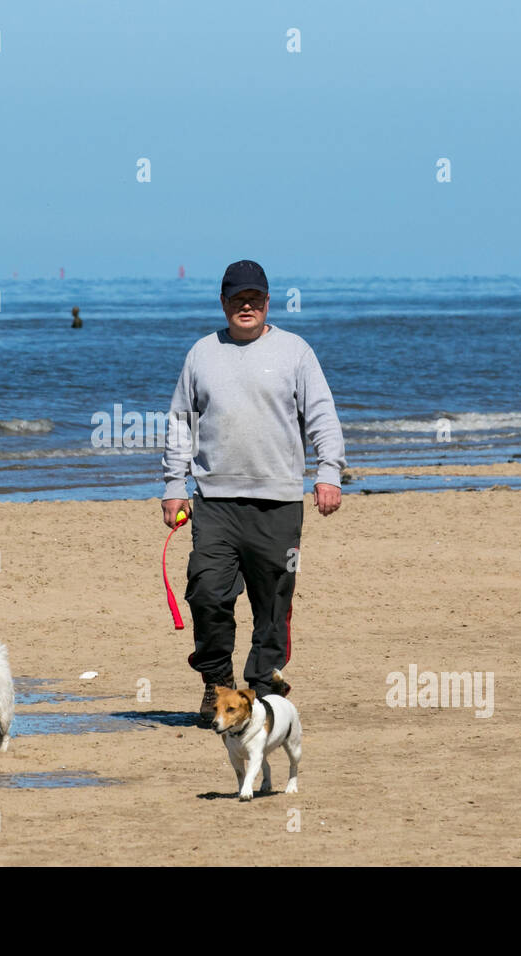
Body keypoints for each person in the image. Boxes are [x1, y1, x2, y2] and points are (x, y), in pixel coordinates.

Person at [161, 260, 345, 725]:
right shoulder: (202, 353)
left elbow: (321, 414)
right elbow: (181, 421)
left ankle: (262, 691)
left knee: (273, 602)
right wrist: (173, 484)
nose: (247, 306)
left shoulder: (295, 351)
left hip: (278, 501)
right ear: (223, 303)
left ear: (267, 302)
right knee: (206, 591)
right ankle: (218, 685)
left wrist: (329, 473)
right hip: (214, 501)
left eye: (255, 299)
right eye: (237, 299)